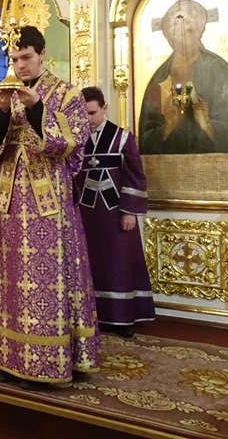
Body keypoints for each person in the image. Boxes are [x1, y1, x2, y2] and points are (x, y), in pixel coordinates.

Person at [0, 26, 99, 390]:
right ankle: (4, 352)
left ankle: (46, 357)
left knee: (44, 277)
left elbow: (73, 142)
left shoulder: (66, 93)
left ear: (42, 55)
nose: (20, 65)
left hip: (46, 204)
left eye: (26, 58)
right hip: (4, 201)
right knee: (5, 275)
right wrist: (1, 110)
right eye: (14, 59)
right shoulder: (2, 94)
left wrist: (36, 106)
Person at [76, 87, 155, 338]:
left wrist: (129, 211)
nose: (88, 119)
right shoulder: (75, 137)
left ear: (104, 108)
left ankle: (122, 317)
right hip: (85, 213)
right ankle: (91, 314)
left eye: (92, 113)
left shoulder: (122, 137)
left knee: (119, 262)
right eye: (83, 114)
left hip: (115, 213)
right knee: (89, 262)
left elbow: (135, 175)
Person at [139, 0, 228, 155]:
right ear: (168, 37)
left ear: (199, 30)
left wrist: (207, 125)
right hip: (169, 163)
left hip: (211, 162)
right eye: (175, 29)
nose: (182, 33)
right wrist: (167, 128)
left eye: (188, 27)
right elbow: (146, 136)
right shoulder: (159, 77)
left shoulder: (219, 69)